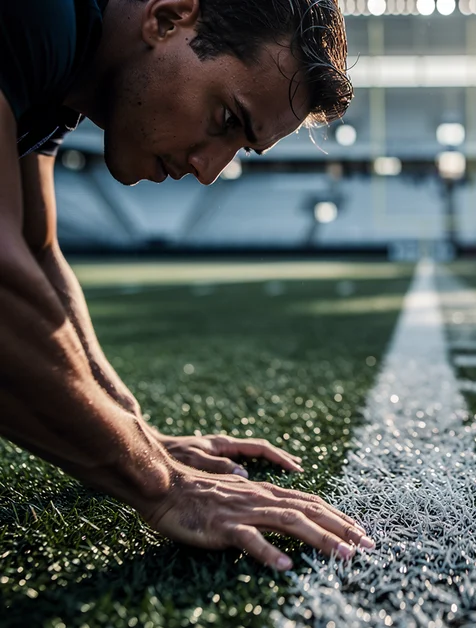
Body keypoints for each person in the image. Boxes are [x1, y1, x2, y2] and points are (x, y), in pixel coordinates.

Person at [0, 0, 374, 571]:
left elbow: (34, 245)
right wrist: (161, 481)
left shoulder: (65, 64)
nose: (207, 170)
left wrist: (132, 428)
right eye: (227, 119)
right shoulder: (32, 16)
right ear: (169, 17)